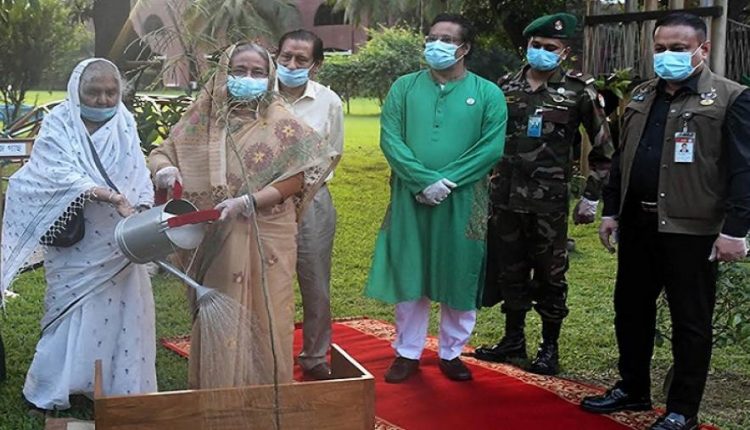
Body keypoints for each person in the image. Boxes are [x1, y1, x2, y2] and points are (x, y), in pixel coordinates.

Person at [580, 12, 750, 430]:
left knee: (690, 321)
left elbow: (744, 169)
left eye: (678, 48)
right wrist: (611, 211)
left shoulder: (730, 98)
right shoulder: (641, 94)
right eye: (660, 48)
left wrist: (735, 230)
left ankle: (682, 410)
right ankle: (632, 388)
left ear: (702, 49)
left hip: (692, 229)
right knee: (630, 310)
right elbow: (623, 158)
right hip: (638, 224)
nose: (666, 55)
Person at [148, 43, 338, 388]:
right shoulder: (202, 118)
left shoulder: (282, 122)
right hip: (215, 235)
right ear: (224, 73)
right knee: (220, 308)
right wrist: (164, 170)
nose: (248, 78)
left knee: (270, 312)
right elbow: (163, 152)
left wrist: (249, 201)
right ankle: (219, 390)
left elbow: (299, 177)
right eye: (239, 71)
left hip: (269, 233)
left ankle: (268, 393)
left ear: (269, 77)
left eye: (257, 72)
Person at [1, 58, 156, 410]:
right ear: (76, 91)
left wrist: (143, 204)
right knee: (70, 308)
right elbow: (52, 172)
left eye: (111, 92)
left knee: (121, 308)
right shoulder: (59, 123)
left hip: (120, 236)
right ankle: (58, 385)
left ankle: (114, 385)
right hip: (77, 240)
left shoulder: (125, 122)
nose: (103, 99)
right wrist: (107, 195)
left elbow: (138, 169)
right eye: (93, 92)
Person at [365, 13, 507, 383]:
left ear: (465, 48)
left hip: (464, 200)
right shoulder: (404, 88)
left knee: (459, 271)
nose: (435, 45)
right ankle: (407, 352)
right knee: (410, 269)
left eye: (446, 39)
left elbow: (490, 148)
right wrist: (422, 181)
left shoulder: (488, 93)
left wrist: (447, 182)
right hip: (410, 197)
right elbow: (391, 139)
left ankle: (451, 352)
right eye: (431, 38)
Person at [473, 13, 614, 376]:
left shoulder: (579, 91)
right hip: (505, 198)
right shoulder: (505, 86)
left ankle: (549, 347)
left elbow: (603, 149)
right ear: (527, 46)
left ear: (564, 52)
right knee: (510, 269)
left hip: (548, 203)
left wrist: (591, 197)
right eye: (536, 45)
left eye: (550, 47)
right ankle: (513, 339)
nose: (542, 51)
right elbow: (485, 139)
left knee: (551, 275)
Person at [275, 29, 344, 380]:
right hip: (262, 203)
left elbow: (333, 152)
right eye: (285, 57)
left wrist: (304, 189)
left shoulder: (328, 101)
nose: (291, 65)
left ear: (316, 65)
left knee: (315, 282)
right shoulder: (258, 95)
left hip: (312, 200)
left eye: (301, 59)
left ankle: (315, 356)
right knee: (264, 280)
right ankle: (268, 356)